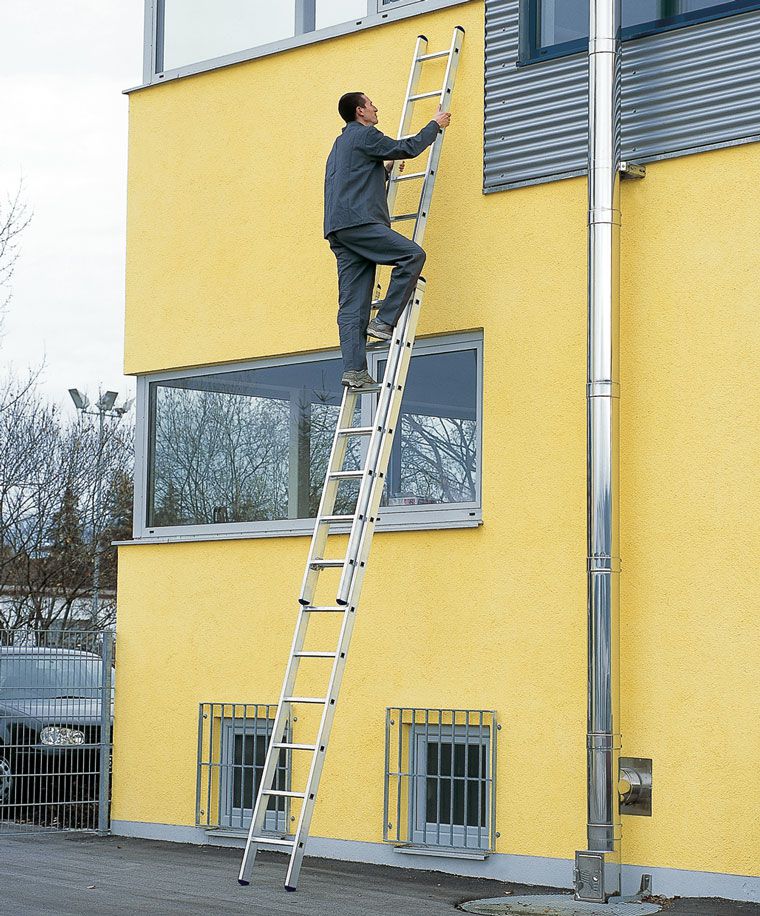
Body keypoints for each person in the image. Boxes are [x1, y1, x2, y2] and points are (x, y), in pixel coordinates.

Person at [324, 92, 452, 389]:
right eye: (371, 104)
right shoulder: (365, 136)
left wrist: (382, 171)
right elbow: (405, 148)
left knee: (353, 303)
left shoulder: (340, 144)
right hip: (360, 222)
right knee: (412, 256)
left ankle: (354, 371)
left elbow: (349, 180)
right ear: (360, 112)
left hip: (339, 229)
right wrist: (435, 124)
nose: (376, 107)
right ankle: (384, 321)